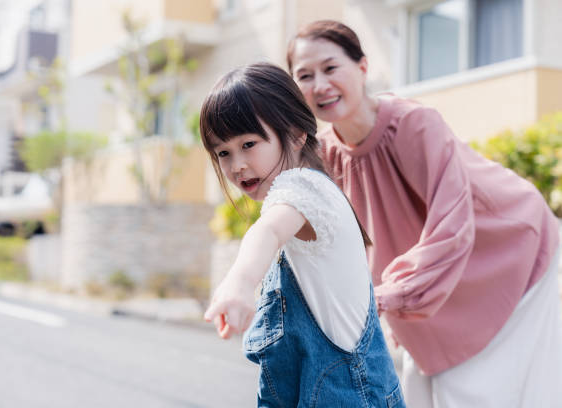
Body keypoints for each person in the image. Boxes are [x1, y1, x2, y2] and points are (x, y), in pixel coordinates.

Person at [287, 19, 562, 407]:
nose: (319, 85)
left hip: (508, 248)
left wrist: (386, 296)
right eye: (305, 76)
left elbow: (453, 226)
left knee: (483, 389)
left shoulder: (412, 124)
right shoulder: (327, 154)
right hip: (431, 285)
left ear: (362, 67)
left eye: (331, 68)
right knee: (428, 388)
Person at [201, 62, 406, 407]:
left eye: (248, 144)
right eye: (224, 152)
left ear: (296, 134)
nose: (236, 165)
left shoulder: (304, 187)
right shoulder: (303, 194)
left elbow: (266, 231)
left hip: (349, 394)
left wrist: (238, 282)